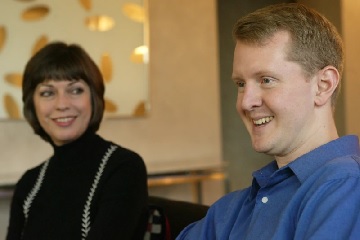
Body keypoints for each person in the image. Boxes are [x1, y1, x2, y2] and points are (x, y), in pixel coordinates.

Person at [177, 3, 360, 240]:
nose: (245, 102)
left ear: (323, 85)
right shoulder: (228, 211)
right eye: (241, 84)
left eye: (266, 80)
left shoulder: (346, 187)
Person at [6, 42, 148, 240]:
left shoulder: (124, 168)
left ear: (94, 97)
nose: (62, 104)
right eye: (48, 93)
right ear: (33, 105)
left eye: (75, 90)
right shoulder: (29, 184)